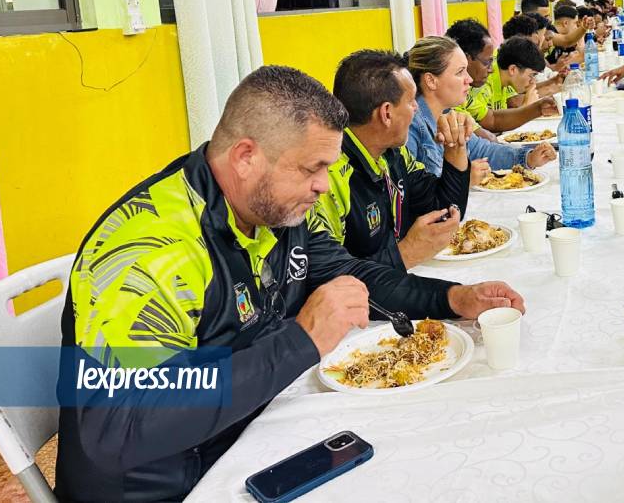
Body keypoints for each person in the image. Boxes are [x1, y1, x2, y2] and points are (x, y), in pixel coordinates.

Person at [56, 66, 525, 503]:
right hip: (173, 486)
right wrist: (300, 341)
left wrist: (452, 298)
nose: (324, 185)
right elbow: (121, 429)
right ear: (245, 157)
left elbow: (352, 275)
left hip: (255, 435)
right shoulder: (152, 250)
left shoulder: (273, 207)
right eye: (311, 168)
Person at [307, 50, 474, 270]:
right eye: (411, 101)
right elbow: (329, 277)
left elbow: (445, 211)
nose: (416, 109)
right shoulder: (328, 178)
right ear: (386, 113)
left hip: (397, 285)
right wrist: (405, 253)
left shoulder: (393, 153)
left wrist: (456, 147)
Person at [405, 36, 556, 179]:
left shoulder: (449, 115)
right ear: (431, 81)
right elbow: (410, 196)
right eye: (459, 72)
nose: (469, 79)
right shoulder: (410, 127)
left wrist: (528, 158)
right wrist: (461, 181)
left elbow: (482, 150)